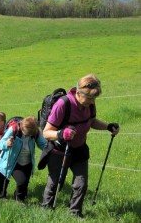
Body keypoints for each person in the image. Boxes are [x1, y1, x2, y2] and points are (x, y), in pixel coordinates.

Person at [40, 74, 120, 218]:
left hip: (79, 149)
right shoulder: (62, 105)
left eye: (94, 99)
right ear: (78, 92)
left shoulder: (89, 103)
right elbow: (46, 133)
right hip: (60, 150)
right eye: (89, 98)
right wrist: (61, 134)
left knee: (81, 184)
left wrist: (108, 126)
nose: (91, 102)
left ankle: (75, 214)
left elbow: (92, 121)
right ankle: (46, 212)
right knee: (55, 183)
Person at [0, 116, 46, 203]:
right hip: (13, 161)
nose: (29, 135)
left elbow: (42, 144)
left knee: (24, 183)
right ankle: (5, 197)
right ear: (22, 127)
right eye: (27, 133)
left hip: (27, 162)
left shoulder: (35, 132)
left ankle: (20, 200)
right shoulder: (14, 129)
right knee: (16, 181)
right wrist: (7, 143)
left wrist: (50, 149)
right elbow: (0, 144)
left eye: (31, 133)